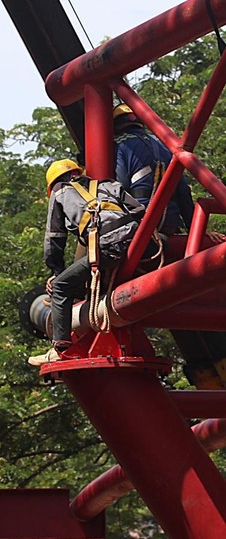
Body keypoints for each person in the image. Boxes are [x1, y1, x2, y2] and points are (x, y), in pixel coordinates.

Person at [28, 159, 146, 366]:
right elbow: (138, 211)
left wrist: (56, 271)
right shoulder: (107, 184)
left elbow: (54, 238)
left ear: (54, 183)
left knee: (61, 286)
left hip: (109, 248)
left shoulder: (59, 193)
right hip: (137, 244)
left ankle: (61, 347)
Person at [112, 103, 195, 235]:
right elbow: (183, 190)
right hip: (170, 221)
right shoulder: (165, 144)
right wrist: (194, 229)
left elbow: (119, 185)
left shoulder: (120, 144)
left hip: (140, 222)